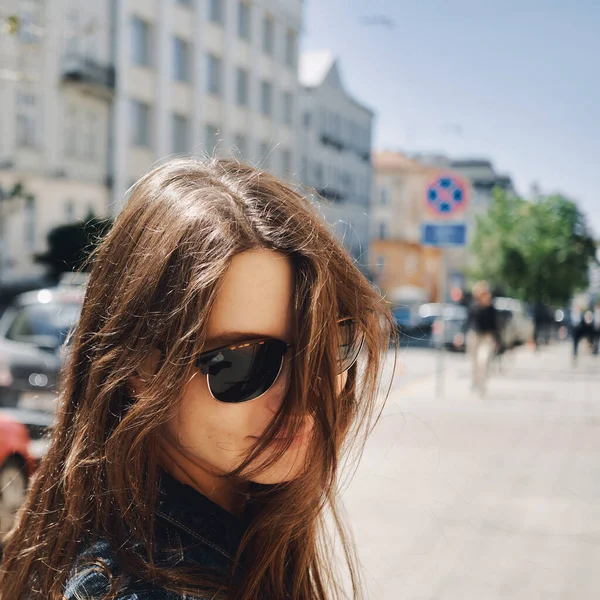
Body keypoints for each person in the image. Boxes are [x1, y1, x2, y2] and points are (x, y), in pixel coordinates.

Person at [0, 159, 395, 599]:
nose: (303, 394)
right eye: (242, 363)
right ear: (140, 370)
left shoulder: (240, 532)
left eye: (329, 344)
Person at [466, 281, 500, 395]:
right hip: (474, 336)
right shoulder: (474, 307)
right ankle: (475, 381)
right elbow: (468, 322)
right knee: (474, 362)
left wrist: (497, 340)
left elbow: (495, 326)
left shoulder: (491, 309)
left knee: (483, 361)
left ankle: (482, 385)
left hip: (487, 338)